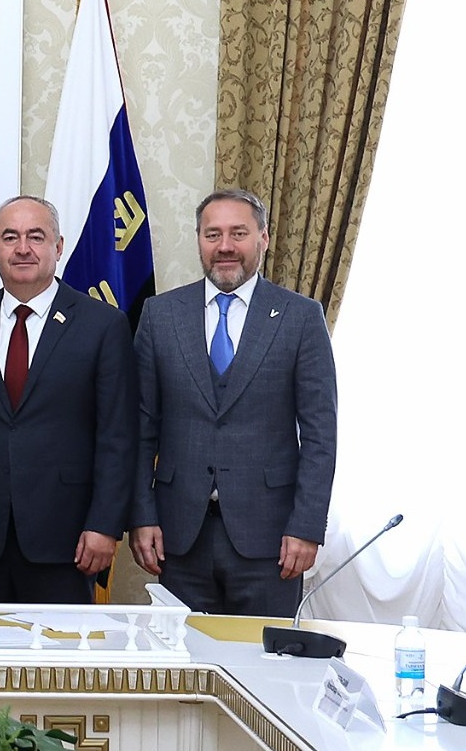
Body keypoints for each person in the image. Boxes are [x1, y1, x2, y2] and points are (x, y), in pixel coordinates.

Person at [129, 188, 337, 617]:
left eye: (238, 233)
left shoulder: (301, 317)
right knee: (184, 656)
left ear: (263, 238)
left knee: (262, 655)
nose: (224, 246)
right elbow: (139, 429)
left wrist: (306, 525)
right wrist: (141, 516)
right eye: (213, 234)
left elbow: (321, 435)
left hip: (271, 541)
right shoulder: (160, 315)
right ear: (199, 240)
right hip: (178, 538)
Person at [0, 195, 137, 602]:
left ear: (59, 247)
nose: (23, 248)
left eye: (36, 237)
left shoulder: (103, 325)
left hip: (67, 538)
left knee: (57, 646)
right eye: (10, 237)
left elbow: (117, 436)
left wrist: (105, 525)